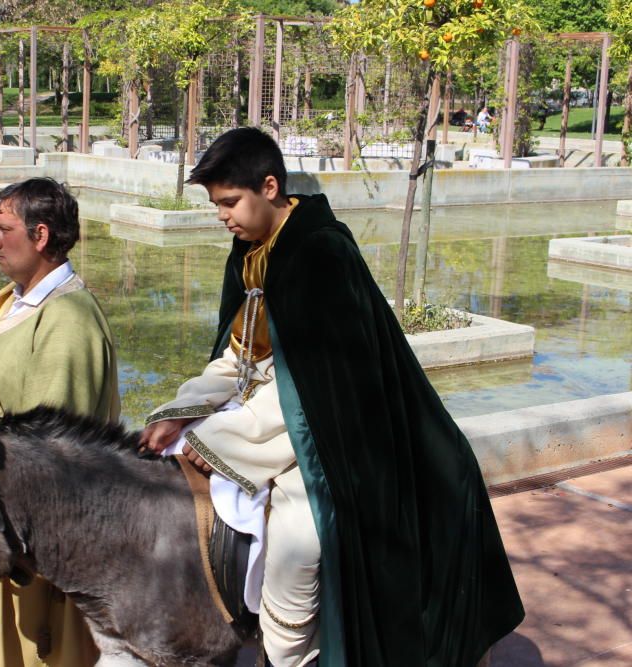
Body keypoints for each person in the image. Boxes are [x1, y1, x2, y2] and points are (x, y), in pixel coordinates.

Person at [140, 127, 524, 667]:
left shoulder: (320, 255)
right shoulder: (251, 249)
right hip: (280, 419)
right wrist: (181, 412)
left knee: (298, 542)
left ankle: (293, 655)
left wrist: (221, 436)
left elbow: (318, 390)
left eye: (229, 202)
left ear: (269, 186)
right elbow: (239, 357)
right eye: (215, 204)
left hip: (346, 434)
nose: (221, 215)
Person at [0, 177, 120, 667]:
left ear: (40, 236)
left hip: (17, 540)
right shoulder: (17, 301)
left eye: (3, 229)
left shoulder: (67, 322)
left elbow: (53, 458)